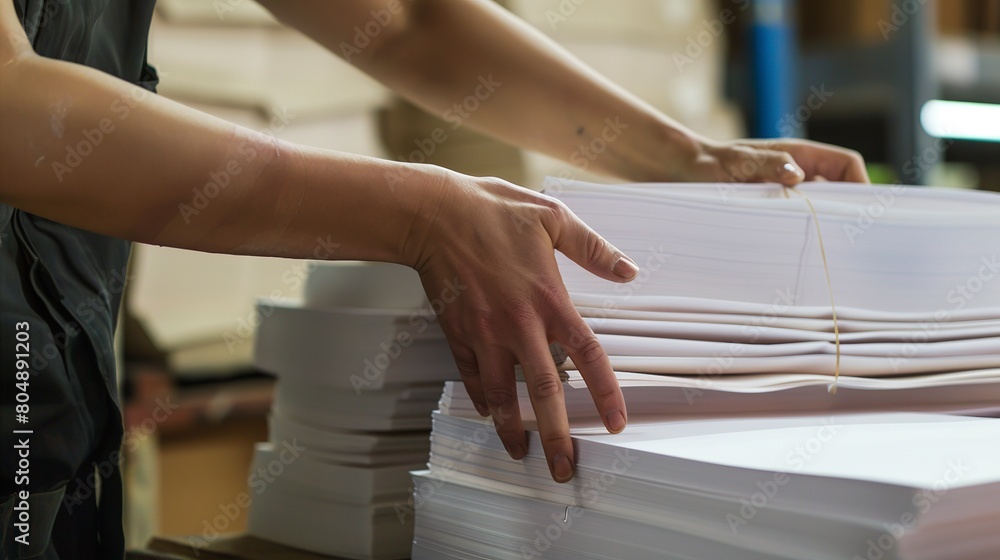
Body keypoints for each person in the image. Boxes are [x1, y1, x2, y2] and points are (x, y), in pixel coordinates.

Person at [0, 0, 869, 557]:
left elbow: (406, 19)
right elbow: (10, 104)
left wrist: (690, 158)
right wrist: (420, 214)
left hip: (65, 399)